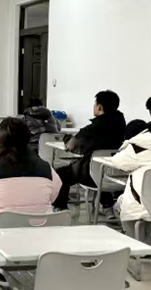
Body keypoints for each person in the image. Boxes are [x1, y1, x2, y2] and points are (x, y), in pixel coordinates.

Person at [53, 90, 126, 218]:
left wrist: (66, 139)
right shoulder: (121, 124)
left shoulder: (94, 128)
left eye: (95, 104)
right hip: (116, 173)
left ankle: (61, 208)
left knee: (61, 173)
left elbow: (72, 145)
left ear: (100, 107)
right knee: (99, 171)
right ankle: (107, 206)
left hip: (92, 173)